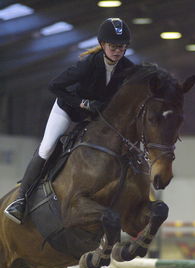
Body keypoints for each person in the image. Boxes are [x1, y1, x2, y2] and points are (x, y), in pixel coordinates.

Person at [4, 17, 134, 224]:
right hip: (68, 110)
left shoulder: (127, 68)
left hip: (94, 119)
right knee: (47, 148)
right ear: (102, 45)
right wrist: (83, 103)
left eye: (122, 46)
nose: (118, 51)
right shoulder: (88, 64)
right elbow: (55, 86)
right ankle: (21, 200)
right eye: (113, 46)